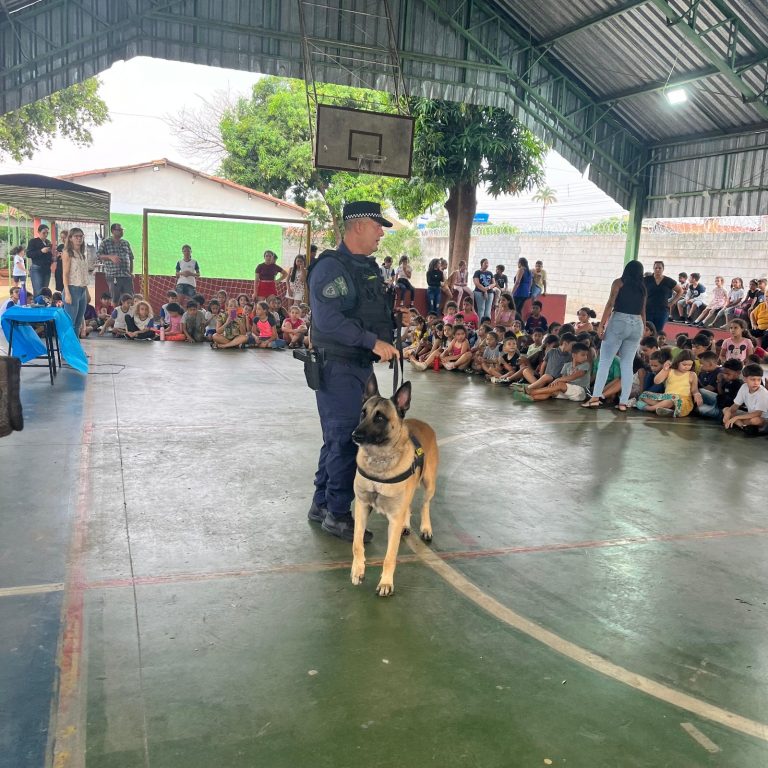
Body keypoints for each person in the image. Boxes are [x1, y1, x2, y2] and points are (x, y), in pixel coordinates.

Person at [305, 201, 398, 542]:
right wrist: (372, 341)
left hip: (357, 366)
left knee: (336, 438)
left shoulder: (364, 267)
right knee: (345, 439)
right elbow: (328, 319)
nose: (381, 232)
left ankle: (322, 505)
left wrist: (387, 332)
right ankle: (338, 514)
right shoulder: (331, 268)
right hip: (338, 367)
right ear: (358, 225)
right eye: (377, 225)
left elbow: (364, 311)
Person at [583, 260, 646, 411]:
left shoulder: (619, 283)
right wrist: (642, 329)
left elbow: (610, 303)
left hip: (619, 321)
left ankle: (595, 398)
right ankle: (623, 402)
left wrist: (601, 325)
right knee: (627, 364)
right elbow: (643, 310)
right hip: (637, 323)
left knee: (605, 361)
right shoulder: (642, 287)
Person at [513, 342, 591, 402]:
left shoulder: (585, 365)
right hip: (568, 392)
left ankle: (530, 391)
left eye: (586, 355)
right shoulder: (567, 365)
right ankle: (531, 398)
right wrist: (555, 383)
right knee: (551, 391)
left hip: (581, 392)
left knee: (559, 384)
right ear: (574, 355)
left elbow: (574, 376)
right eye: (583, 355)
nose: (585, 357)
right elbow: (563, 379)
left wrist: (558, 380)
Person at [636, 350, 701, 417]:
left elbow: (694, 390)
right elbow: (657, 381)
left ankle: (650, 408)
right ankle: (666, 408)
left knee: (672, 399)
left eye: (690, 365)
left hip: (682, 401)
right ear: (678, 362)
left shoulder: (692, 374)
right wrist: (664, 369)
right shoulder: (670, 371)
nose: (687, 367)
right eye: (684, 364)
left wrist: (697, 394)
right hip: (667, 397)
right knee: (644, 395)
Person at [722, 363, 768, 435]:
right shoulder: (744, 387)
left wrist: (736, 418)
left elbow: (758, 413)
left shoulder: (763, 392)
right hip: (749, 415)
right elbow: (735, 405)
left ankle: (737, 423)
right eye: (753, 379)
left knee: (755, 420)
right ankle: (742, 426)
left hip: (763, 418)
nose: (756, 383)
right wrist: (728, 413)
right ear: (745, 379)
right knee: (726, 409)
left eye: (759, 380)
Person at [61, 228, 90, 334]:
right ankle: (67, 344)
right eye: (76, 236)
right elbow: (65, 274)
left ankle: (75, 344)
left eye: (81, 236)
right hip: (72, 288)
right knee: (70, 322)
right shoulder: (67, 253)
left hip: (82, 289)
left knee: (78, 323)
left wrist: (86, 292)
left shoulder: (82, 254)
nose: (79, 238)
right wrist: (67, 292)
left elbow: (83, 275)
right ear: (70, 238)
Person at [98, 223, 134, 305]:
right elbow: (99, 255)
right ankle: (115, 313)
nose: (121, 231)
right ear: (113, 231)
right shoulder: (105, 243)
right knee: (115, 300)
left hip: (126, 276)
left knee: (130, 299)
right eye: (119, 230)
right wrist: (110, 257)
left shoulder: (125, 243)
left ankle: (128, 313)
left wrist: (131, 272)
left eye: (122, 230)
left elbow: (131, 257)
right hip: (113, 276)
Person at [643, 261, 682, 334]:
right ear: (653, 268)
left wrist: (672, 302)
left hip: (662, 310)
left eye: (660, 268)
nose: (657, 270)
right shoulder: (646, 280)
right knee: (647, 331)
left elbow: (680, 291)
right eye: (656, 268)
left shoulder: (668, 281)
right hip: (648, 310)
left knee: (658, 331)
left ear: (663, 269)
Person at [27, 224, 54, 296]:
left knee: (45, 291)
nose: (46, 235)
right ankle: (37, 302)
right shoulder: (33, 241)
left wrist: (53, 258)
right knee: (38, 290)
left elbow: (49, 256)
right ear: (38, 232)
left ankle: (42, 302)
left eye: (47, 233)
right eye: (44, 233)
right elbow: (29, 254)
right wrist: (41, 251)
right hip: (37, 268)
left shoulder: (48, 242)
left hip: (47, 269)